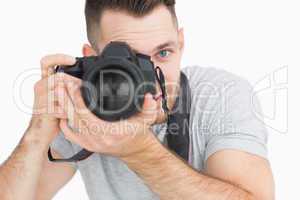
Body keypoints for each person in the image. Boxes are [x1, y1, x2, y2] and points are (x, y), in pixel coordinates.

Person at [0, 0, 275, 199]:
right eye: (129, 61)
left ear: (181, 43)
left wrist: (138, 151)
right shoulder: (85, 106)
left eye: (163, 53)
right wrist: (36, 134)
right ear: (94, 58)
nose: (150, 79)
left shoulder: (222, 95)